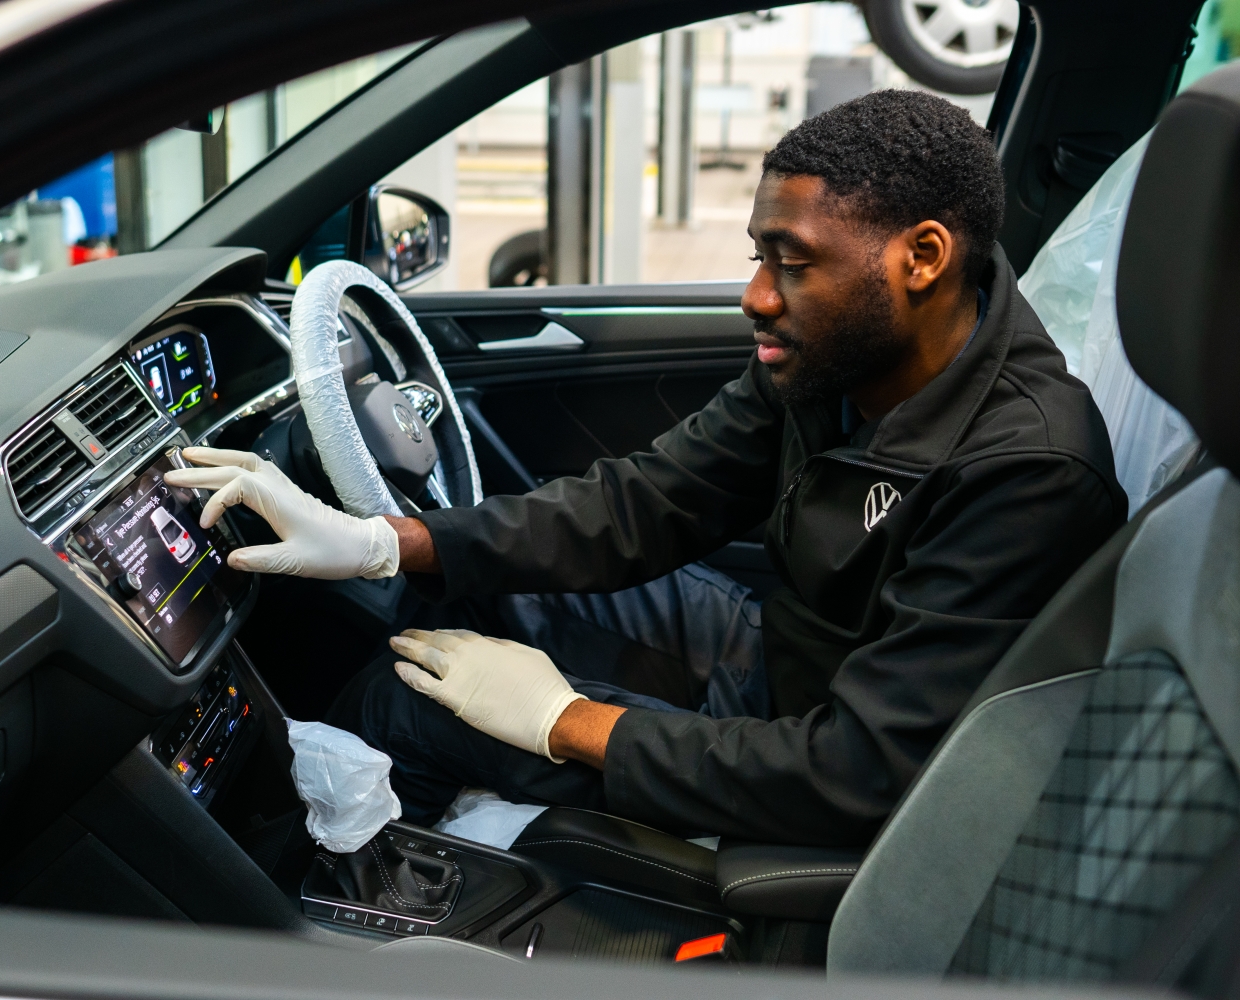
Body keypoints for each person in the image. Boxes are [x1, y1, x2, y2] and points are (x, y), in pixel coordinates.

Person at [164, 90, 1125, 847]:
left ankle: (295, 912)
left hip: (808, 759)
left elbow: (858, 773)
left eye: (791, 262)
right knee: (461, 595)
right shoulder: (842, 359)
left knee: (402, 701)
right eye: (758, 256)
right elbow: (647, 502)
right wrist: (383, 543)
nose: (756, 296)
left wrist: (563, 720)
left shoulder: (1027, 472)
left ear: (923, 257)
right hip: (774, 665)